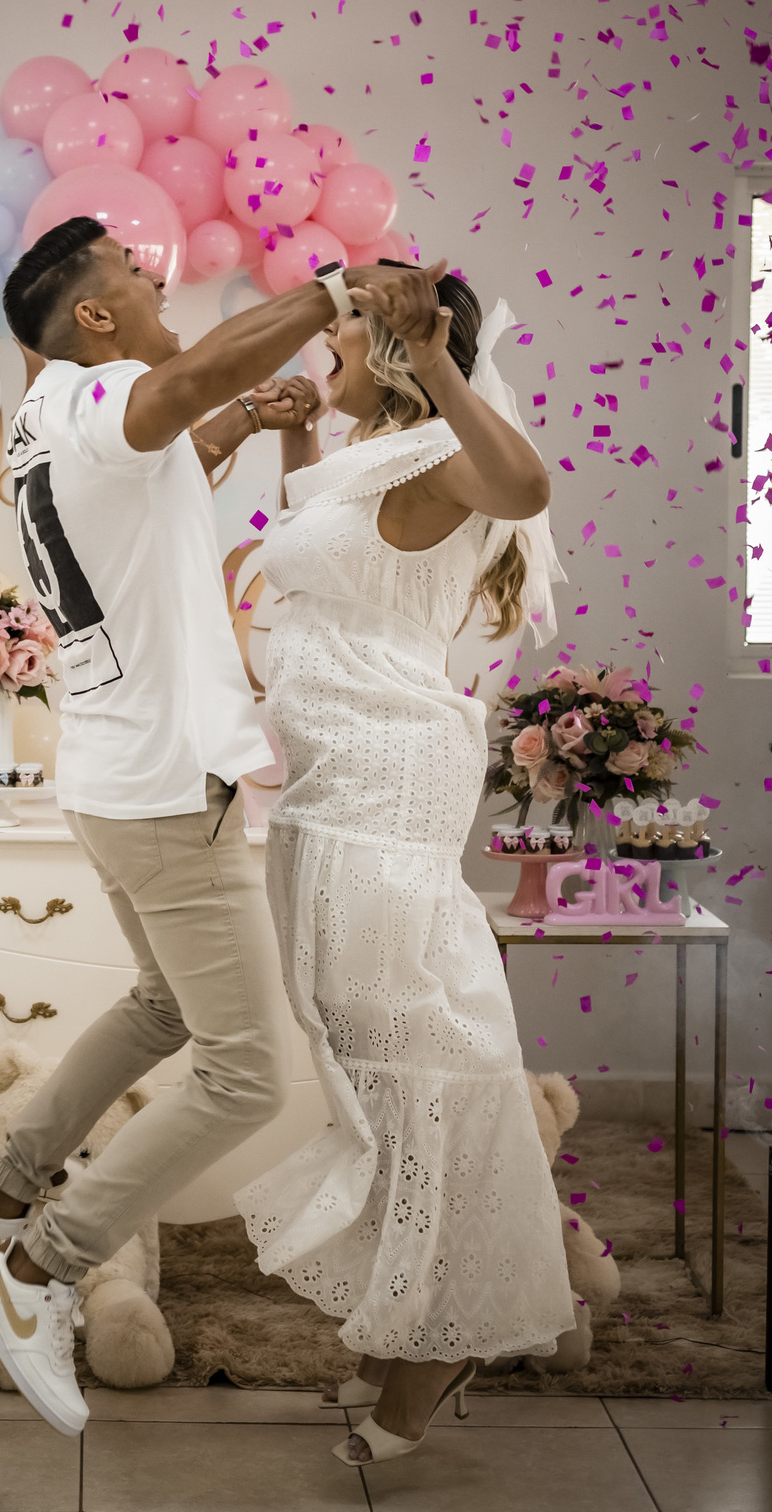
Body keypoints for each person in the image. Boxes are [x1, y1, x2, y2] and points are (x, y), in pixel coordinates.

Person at [0, 216, 409, 1437]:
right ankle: (37, 1267)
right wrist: (330, 291)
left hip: (108, 779)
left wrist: (240, 423)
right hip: (158, 789)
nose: (160, 290)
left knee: (159, 1007)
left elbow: (143, 481)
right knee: (245, 1073)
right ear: (94, 318)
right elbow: (174, 392)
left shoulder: (44, 418)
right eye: (140, 280)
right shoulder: (104, 394)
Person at [233, 261, 577, 1469]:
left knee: (419, 1044)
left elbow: (527, 486)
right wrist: (291, 443)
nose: (318, 346)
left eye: (338, 335)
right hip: (329, 780)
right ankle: (414, 1305)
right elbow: (331, 574)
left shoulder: (442, 450)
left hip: (389, 780)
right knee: (355, 1041)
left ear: (395, 350)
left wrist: (432, 363)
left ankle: (450, 1331)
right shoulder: (365, 458)